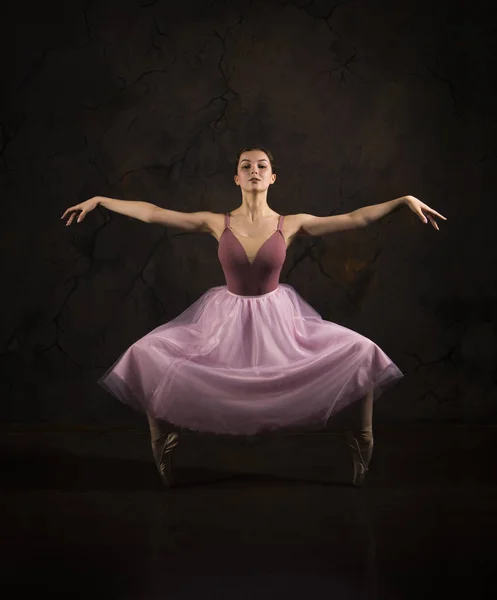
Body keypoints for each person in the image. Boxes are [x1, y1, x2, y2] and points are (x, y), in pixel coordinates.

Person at [61, 147, 447, 488]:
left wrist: (403, 200)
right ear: (237, 177)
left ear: (273, 177)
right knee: (147, 353)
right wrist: (102, 200)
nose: (254, 171)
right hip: (224, 321)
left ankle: (362, 440)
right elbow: (154, 213)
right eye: (246, 166)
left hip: (279, 322)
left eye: (262, 165)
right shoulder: (217, 222)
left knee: (362, 350)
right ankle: (163, 444)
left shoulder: (290, 223)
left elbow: (355, 218)